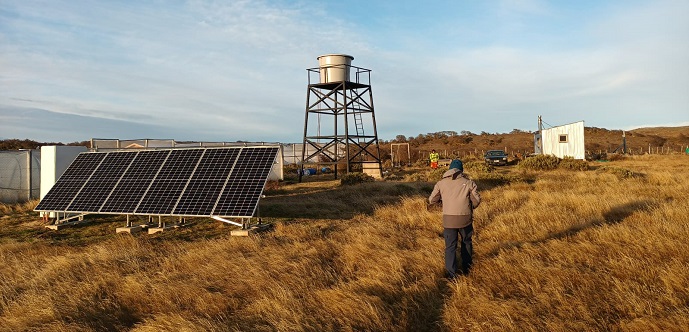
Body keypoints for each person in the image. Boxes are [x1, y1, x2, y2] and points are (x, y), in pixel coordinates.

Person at [428, 159, 481, 280]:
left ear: (449, 170)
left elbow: (431, 201)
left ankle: (452, 275)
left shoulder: (440, 183)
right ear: (461, 170)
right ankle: (467, 269)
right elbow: (476, 201)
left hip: (448, 220)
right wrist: (469, 206)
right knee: (466, 242)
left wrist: (443, 204)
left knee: (450, 247)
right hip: (465, 219)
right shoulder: (469, 183)